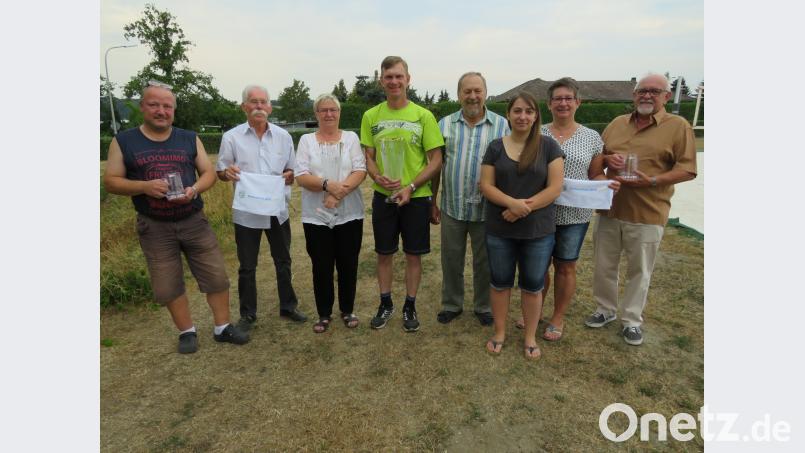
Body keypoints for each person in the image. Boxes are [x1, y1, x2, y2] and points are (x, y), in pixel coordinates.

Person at [103, 81, 249, 354]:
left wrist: (194, 189)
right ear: (143, 107)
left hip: (193, 219)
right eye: (154, 105)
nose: (161, 111)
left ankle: (222, 327)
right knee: (167, 282)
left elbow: (207, 173)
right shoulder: (124, 141)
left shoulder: (188, 137)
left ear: (174, 110)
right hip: (154, 225)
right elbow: (111, 181)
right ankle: (187, 332)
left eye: (167, 106)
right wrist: (144, 187)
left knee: (216, 275)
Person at [584, 73, 697, 346]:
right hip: (610, 208)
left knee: (640, 270)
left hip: (648, 211)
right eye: (642, 91)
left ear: (666, 97)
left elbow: (688, 169)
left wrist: (654, 180)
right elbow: (598, 160)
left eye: (654, 91)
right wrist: (606, 161)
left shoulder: (678, 126)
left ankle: (632, 320)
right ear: (634, 95)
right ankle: (605, 310)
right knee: (604, 265)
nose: (647, 95)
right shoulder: (616, 124)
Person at [513, 77, 620, 341]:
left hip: (574, 215)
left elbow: (594, 174)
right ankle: (535, 310)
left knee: (565, 266)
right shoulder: (536, 133)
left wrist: (606, 185)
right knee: (538, 266)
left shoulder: (592, 137)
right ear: (548, 104)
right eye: (557, 99)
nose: (563, 103)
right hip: (540, 211)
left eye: (568, 98)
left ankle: (557, 316)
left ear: (577, 102)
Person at [360, 56, 444, 332]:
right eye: (388, 77)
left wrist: (411, 187)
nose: (394, 81)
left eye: (399, 76)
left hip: (416, 198)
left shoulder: (423, 116)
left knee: (413, 255)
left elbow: (435, 160)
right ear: (381, 81)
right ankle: (386, 304)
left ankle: (410, 306)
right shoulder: (371, 116)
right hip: (384, 196)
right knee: (384, 253)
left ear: (408, 79)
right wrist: (376, 175)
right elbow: (368, 157)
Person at [480, 92, 564, 360]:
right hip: (500, 229)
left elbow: (554, 188)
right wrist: (511, 204)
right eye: (517, 111)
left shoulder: (548, 147)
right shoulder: (495, 147)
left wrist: (521, 209)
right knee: (500, 283)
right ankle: (500, 332)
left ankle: (529, 336)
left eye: (528, 111)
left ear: (536, 115)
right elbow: (486, 186)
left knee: (532, 285)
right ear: (508, 114)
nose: (522, 116)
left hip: (537, 231)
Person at [216, 84, 308, 331]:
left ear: (269, 106)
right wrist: (228, 172)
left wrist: (289, 175)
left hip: (277, 210)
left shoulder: (283, 136)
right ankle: (248, 314)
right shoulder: (231, 137)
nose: (258, 106)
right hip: (246, 214)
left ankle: (288, 306)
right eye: (253, 102)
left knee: (283, 260)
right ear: (244, 106)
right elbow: (221, 172)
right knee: (247, 266)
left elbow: (293, 170)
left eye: (263, 102)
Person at [432, 72, 510, 326]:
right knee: (451, 259)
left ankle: (484, 306)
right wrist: (432, 201)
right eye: (467, 91)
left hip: (488, 210)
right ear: (458, 95)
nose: (473, 96)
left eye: (478, 91)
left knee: (485, 261)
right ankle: (451, 304)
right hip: (452, 206)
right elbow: (436, 166)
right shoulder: (443, 125)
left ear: (486, 93)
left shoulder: (502, 126)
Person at [294, 94, 367, 333]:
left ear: (339, 113)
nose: (328, 114)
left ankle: (347, 309)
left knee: (348, 263)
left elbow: (360, 170)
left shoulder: (351, 138)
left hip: (349, 213)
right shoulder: (306, 141)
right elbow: (301, 176)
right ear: (316, 114)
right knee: (321, 265)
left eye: (333, 110)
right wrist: (327, 184)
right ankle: (323, 313)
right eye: (323, 110)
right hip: (316, 216)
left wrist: (337, 194)